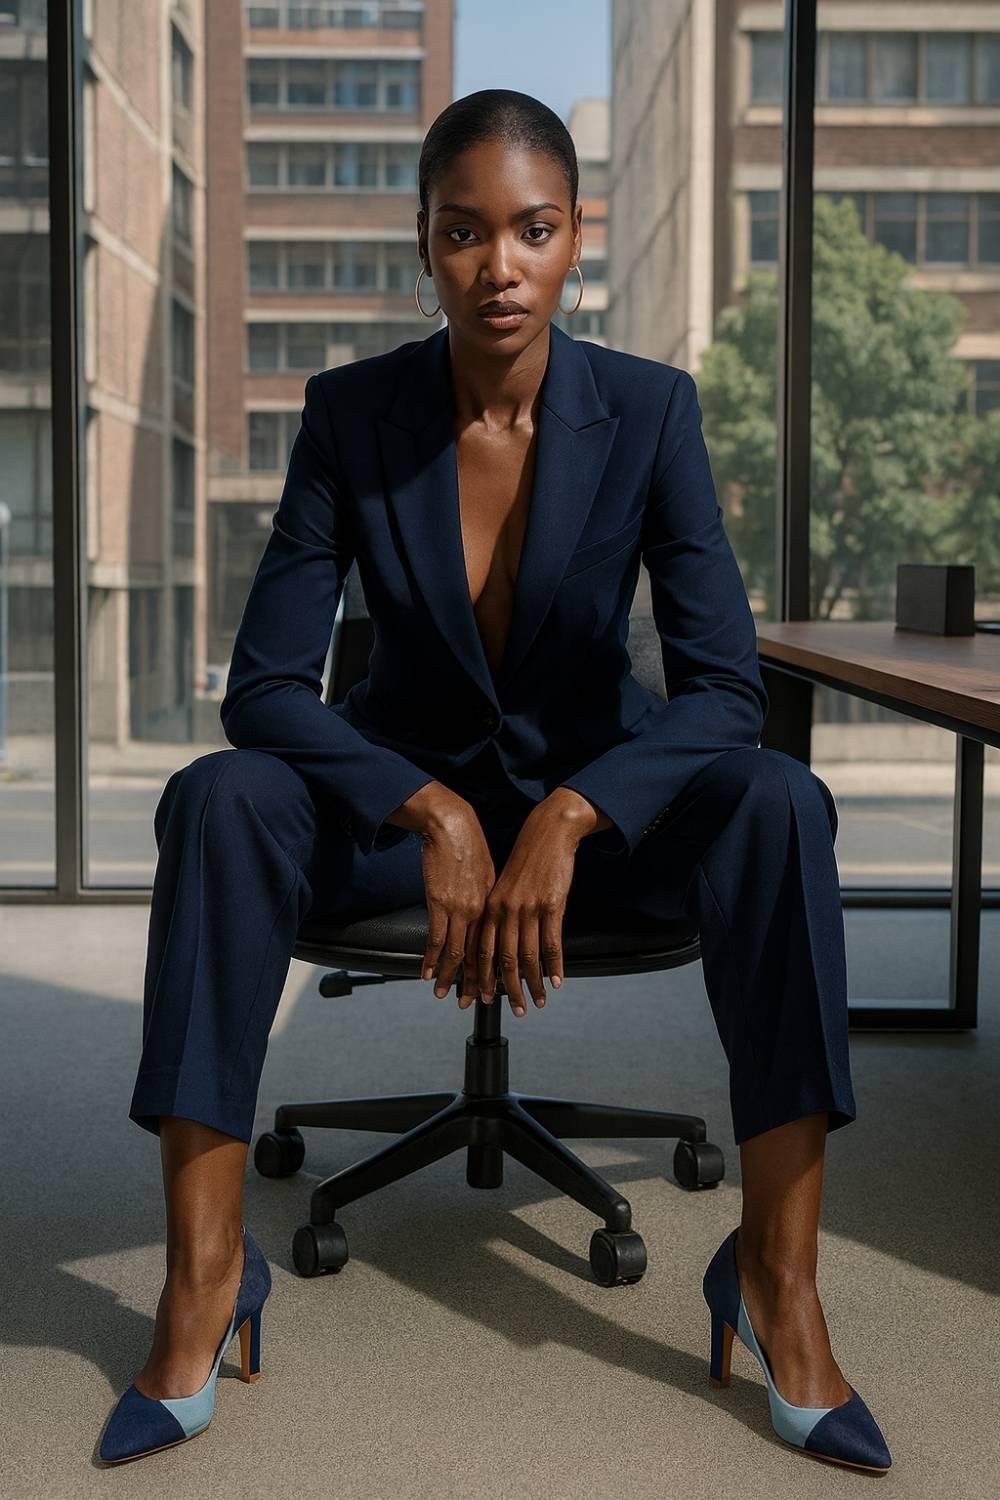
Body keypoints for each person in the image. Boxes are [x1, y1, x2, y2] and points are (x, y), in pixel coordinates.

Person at [99, 90, 890, 1473]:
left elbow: (722, 689)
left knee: (780, 800)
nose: (499, 265)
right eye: (464, 232)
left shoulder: (649, 414)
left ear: (576, 236)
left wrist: (580, 812)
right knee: (219, 799)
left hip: (598, 822)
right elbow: (266, 690)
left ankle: (778, 1283)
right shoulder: (352, 417)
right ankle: (206, 1282)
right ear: (424, 242)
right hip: (405, 821)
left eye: (531, 230)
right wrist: (435, 806)